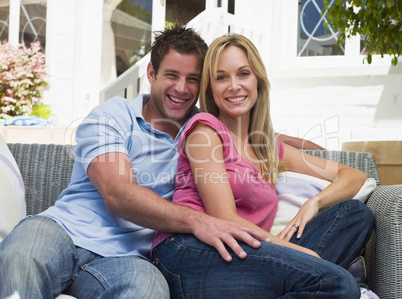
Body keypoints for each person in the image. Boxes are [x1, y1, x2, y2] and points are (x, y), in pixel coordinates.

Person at [0, 24, 320, 299]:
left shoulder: (206, 131)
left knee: (150, 291)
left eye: (193, 79)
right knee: (21, 256)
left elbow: (256, 137)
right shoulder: (112, 116)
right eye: (171, 75)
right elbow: (117, 193)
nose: (182, 89)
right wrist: (198, 221)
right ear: (151, 74)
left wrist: (283, 141)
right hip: (64, 231)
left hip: (131, 258)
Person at [151, 34, 375, 298]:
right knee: (339, 285)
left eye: (243, 73)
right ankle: (317, 281)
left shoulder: (268, 147)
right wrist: (302, 253)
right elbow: (225, 219)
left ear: (257, 80)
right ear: (210, 88)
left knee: (356, 214)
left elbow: (353, 175)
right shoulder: (205, 130)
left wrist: (313, 203)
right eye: (221, 77)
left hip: (247, 250)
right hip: (191, 253)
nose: (234, 86)